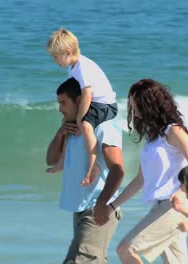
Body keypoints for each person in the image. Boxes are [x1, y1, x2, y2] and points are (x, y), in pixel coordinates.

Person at [107, 78, 188, 264]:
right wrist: (112, 206)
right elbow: (139, 180)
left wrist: (180, 191)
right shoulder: (153, 139)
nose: (134, 111)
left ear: (150, 105)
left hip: (174, 205)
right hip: (160, 206)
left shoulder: (173, 132)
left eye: (137, 106)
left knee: (125, 248)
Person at [46, 77, 125, 263]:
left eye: (63, 103)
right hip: (81, 210)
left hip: (98, 208)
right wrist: (60, 133)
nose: (60, 109)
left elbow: (118, 170)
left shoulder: (104, 127)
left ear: (80, 100)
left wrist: (103, 203)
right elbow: (51, 160)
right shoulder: (73, 130)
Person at [46, 27, 118, 186]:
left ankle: (93, 166)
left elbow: (87, 95)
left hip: (105, 105)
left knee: (85, 126)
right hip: (93, 103)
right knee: (68, 125)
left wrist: (80, 117)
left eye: (56, 56)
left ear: (68, 52)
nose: (55, 60)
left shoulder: (82, 67)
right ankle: (62, 161)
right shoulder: (72, 68)